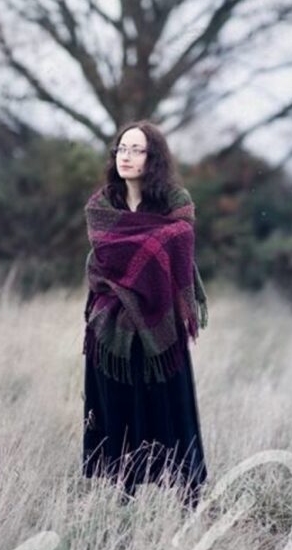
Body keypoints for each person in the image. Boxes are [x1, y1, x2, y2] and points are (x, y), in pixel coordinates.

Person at [81, 120, 209, 508]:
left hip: (161, 325)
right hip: (110, 325)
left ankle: (187, 499)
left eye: (136, 149)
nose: (126, 156)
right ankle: (122, 496)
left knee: (170, 411)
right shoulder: (102, 205)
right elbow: (106, 256)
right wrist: (153, 244)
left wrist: (149, 246)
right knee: (118, 413)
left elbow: (180, 239)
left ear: (153, 158)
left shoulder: (175, 202)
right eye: (122, 148)